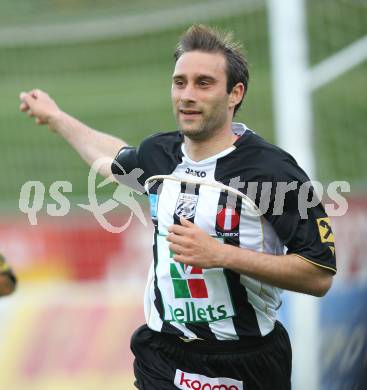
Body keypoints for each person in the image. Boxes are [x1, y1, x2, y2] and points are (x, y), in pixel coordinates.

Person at [19, 25, 336, 390]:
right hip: (163, 355)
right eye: (179, 82)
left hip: (248, 359)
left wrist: (222, 255)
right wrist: (58, 119)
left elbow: (318, 274)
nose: (187, 95)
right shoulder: (160, 154)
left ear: (235, 93)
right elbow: (112, 160)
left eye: (203, 83)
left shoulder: (274, 172)